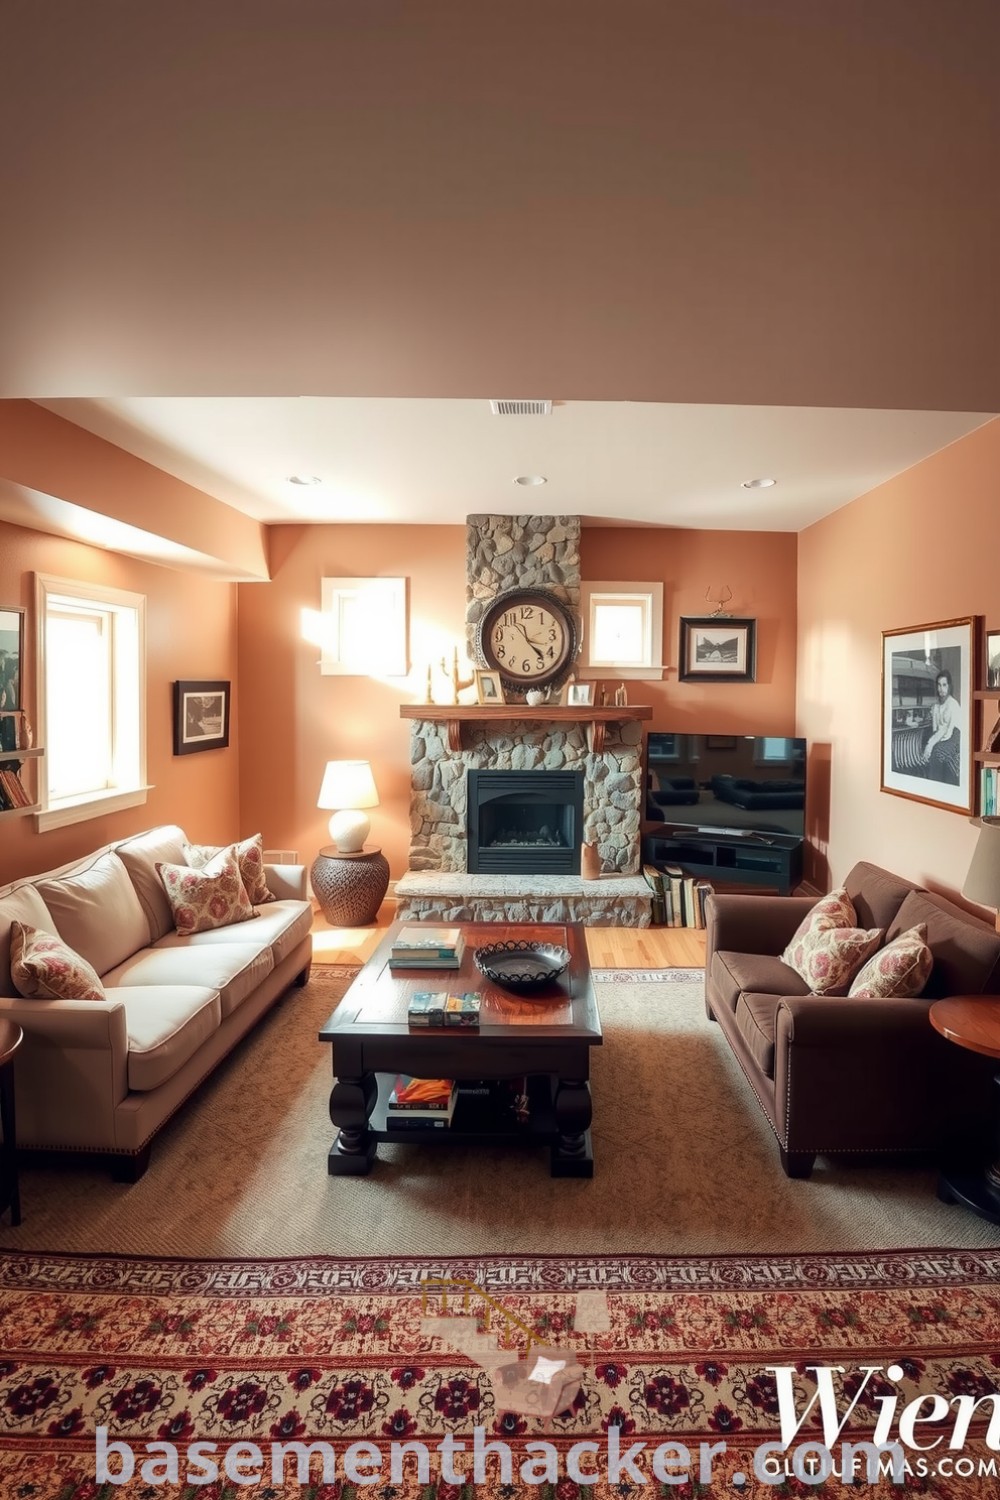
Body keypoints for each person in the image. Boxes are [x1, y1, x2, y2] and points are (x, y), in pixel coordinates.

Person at [920, 669, 961, 784]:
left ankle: (938, 784)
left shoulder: (952, 704)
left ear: (949, 686)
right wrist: (930, 743)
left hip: (954, 736)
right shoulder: (936, 706)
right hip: (940, 735)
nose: (941, 688)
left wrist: (932, 745)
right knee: (926, 748)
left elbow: (948, 731)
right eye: (939, 685)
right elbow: (935, 729)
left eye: (944, 685)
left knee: (937, 752)